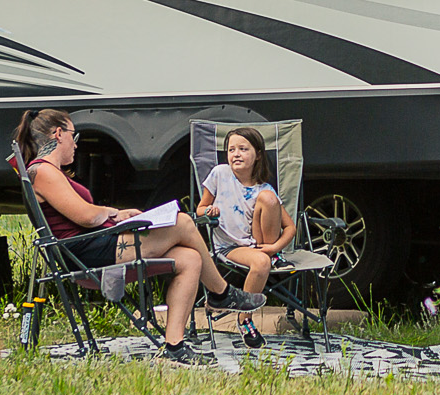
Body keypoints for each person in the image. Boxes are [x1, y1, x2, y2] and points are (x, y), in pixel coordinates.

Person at [14, 109, 262, 363]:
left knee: (189, 258)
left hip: (95, 245)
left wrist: (119, 216)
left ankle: (174, 346)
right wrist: (113, 213)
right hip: (85, 254)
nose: (75, 145)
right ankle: (221, 293)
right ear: (58, 134)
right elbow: (86, 217)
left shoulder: (47, 172)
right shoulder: (42, 171)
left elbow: (87, 217)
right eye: (72, 135)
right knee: (184, 222)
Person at [198, 126, 294, 299]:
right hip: (229, 247)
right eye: (231, 150)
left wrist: (274, 247)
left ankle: (272, 255)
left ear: (257, 155)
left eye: (243, 149)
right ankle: (245, 318)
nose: (236, 154)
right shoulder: (220, 174)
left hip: (260, 245)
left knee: (268, 198)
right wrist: (208, 211)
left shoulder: (264, 189)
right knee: (262, 262)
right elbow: (199, 209)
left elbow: (290, 228)